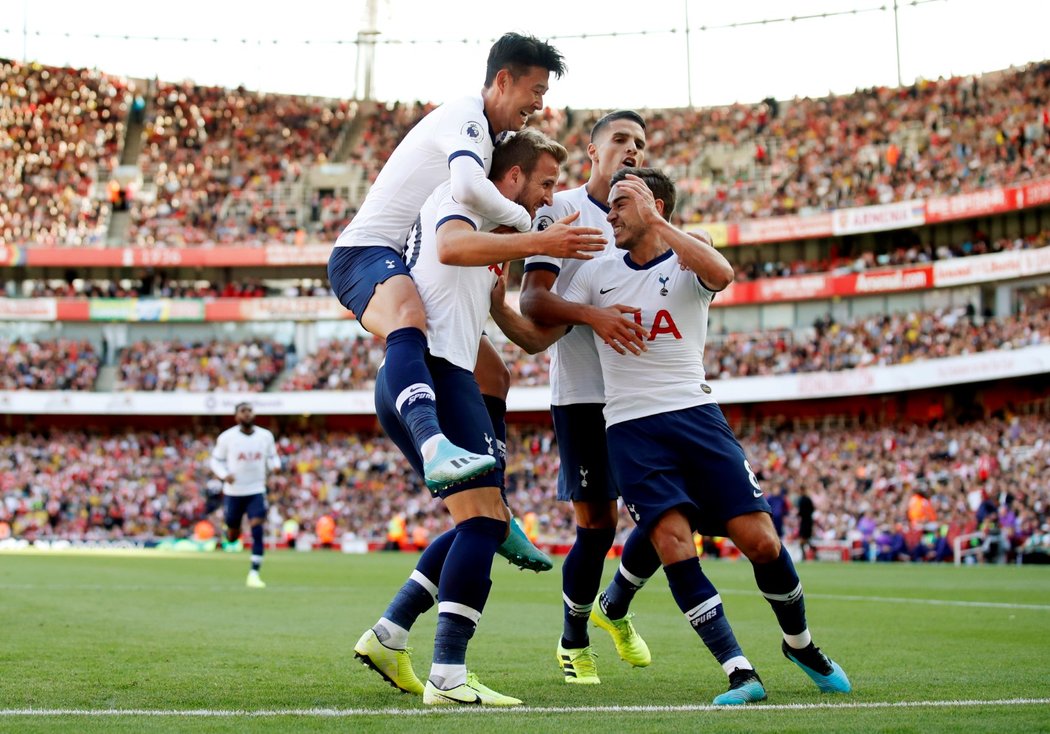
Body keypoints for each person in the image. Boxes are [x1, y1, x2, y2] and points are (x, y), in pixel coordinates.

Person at [560, 167, 852, 704]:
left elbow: (722, 274)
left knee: (762, 541)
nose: (611, 214)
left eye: (622, 204)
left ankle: (800, 644)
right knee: (674, 543)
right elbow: (542, 312)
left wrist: (659, 226)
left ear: (657, 206)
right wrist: (588, 315)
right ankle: (740, 673)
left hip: (697, 416)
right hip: (630, 428)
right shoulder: (594, 272)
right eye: (612, 205)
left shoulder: (689, 254)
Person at [355, 128, 602, 707]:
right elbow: (450, 249)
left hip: (449, 376)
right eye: (544, 183)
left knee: (480, 522)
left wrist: (585, 315)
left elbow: (521, 339)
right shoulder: (460, 200)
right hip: (434, 377)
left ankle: (391, 633)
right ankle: (447, 674)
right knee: (485, 525)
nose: (548, 198)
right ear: (510, 178)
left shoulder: (487, 236)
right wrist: (543, 241)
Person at [327, 33, 565, 496]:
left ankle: (493, 495)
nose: (539, 103)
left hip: (406, 262)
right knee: (409, 318)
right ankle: (432, 442)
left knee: (494, 372)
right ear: (503, 79)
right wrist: (528, 229)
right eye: (535, 90)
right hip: (366, 250)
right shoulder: (467, 119)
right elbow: (471, 188)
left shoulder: (497, 137)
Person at [519, 110, 660, 684]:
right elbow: (533, 300)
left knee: (675, 512)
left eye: (641, 144)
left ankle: (615, 605)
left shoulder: (651, 218)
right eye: (621, 140)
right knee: (597, 527)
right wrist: (594, 316)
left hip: (646, 393)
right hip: (582, 394)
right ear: (593, 150)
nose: (632, 150)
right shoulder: (562, 209)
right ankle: (574, 638)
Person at [209, 402, 282, 588]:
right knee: (232, 535)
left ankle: (254, 572)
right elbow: (215, 461)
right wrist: (225, 475)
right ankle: (230, 533)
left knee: (257, 528)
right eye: (243, 411)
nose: (247, 414)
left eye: (250, 411)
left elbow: (272, 455)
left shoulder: (265, 436)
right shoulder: (227, 438)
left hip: (256, 489)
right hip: (234, 492)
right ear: (236, 416)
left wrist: (276, 465)